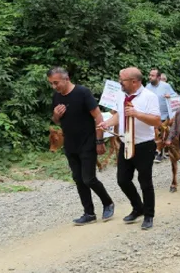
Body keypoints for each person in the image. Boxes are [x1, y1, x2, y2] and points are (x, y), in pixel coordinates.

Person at [48, 67, 114, 225]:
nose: (54, 86)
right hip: (70, 144)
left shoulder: (83, 92)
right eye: (51, 84)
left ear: (66, 78)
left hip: (87, 141)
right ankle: (89, 213)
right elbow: (56, 121)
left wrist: (100, 141)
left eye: (56, 83)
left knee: (89, 178)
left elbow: (97, 116)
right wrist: (56, 115)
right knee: (78, 178)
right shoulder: (56, 97)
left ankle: (107, 203)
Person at [98, 67, 161, 230]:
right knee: (122, 180)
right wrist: (108, 123)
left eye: (122, 80)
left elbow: (156, 121)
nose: (120, 83)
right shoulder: (121, 95)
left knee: (145, 181)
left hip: (144, 144)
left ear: (134, 82)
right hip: (125, 142)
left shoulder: (149, 97)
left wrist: (137, 113)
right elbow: (120, 114)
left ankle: (148, 215)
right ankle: (137, 207)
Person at [145, 69, 177, 163]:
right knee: (155, 135)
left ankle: (160, 153)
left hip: (164, 115)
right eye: (150, 75)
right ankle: (157, 152)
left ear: (158, 77)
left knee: (162, 134)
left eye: (152, 75)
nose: (150, 77)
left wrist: (169, 96)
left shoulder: (166, 86)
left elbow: (175, 95)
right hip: (152, 115)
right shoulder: (147, 87)